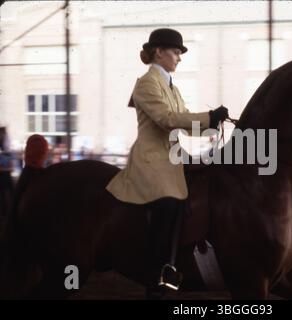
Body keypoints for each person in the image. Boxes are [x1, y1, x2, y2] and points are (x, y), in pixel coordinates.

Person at [106, 28, 228, 292]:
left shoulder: (172, 86)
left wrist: (215, 123)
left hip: (172, 157)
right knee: (171, 202)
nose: (179, 58)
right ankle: (160, 269)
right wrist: (208, 117)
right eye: (176, 52)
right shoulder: (147, 83)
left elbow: (184, 122)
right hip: (152, 159)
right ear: (158, 52)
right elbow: (167, 120)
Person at [0, 127, 14, 217]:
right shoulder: (6, 153)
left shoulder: (7, 153)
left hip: (5, 176)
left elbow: (10, 166)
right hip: (4, 177)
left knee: (6, 195)